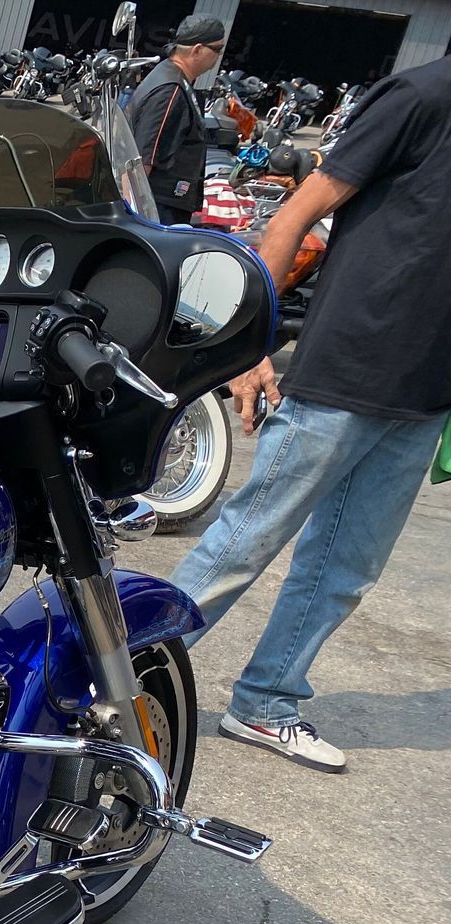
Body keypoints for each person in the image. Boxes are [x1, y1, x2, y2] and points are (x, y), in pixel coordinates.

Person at [169, 54, 451, 772]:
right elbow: (299, 210)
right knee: (246, 540)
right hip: (347, 366)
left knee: (346, 568)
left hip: (423, 393)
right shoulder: (423, 95)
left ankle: (265, 703)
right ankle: (110, 682)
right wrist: (249, 341)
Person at [126, 13, 223, 224]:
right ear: (197, 50)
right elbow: (143, 158)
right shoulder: (170, 90)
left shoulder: (172, 77)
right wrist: (136, 217)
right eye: (217, 49)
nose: (219, 55)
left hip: (165, 202)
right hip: (157, 206)